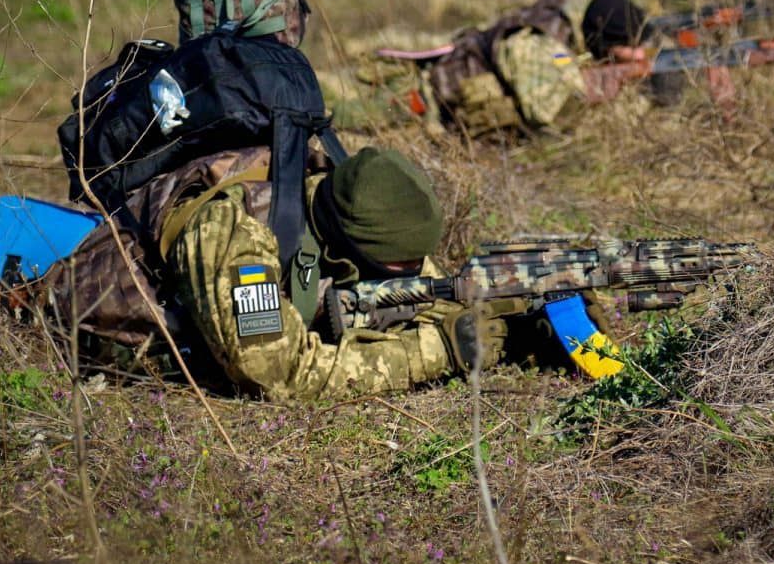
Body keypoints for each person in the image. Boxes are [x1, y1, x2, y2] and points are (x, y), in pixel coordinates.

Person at [49, 145, 510, 401]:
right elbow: (277, 373)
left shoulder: (350, 210)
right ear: (349, 244)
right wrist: (437, 351)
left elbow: (428, 293)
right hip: (75, 333)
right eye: (397, 266)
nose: (413, 271)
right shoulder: (237, 235)